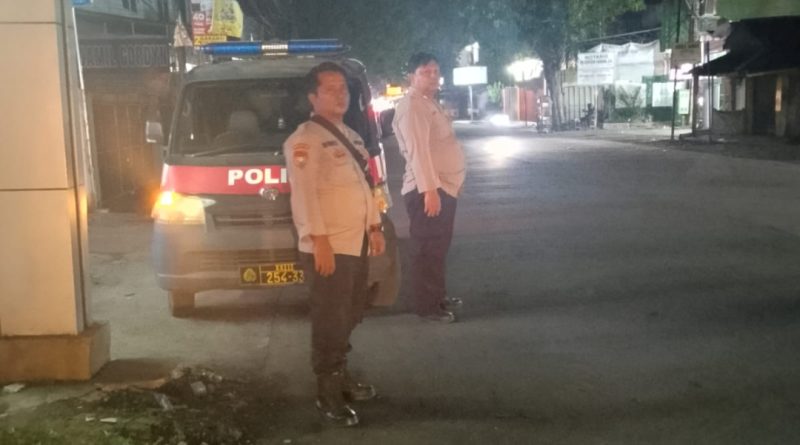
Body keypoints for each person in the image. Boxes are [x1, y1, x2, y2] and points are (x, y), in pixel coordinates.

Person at [283, 62, 386, 427]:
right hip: (330, 246)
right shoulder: (305, 140)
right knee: (330, 318)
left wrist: (375, 227)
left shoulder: (351, 136)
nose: (340, 94)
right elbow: (304, 195)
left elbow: (365, 187)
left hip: (355, 242)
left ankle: (341, 376)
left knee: (351, 312)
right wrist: (319, 240)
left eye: (343, 88)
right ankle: (327, 392)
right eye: (330, 89)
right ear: (313, 97)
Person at [392, 52, 466, 323]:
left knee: (437, 248)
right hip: (429, 189)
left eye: (436, 71)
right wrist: (430, 191)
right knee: (428, 250)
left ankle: (437, 296)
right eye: (425, 72)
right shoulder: (412, 106)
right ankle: (428, 306)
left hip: (442, 186)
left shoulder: (427, 102)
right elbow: (418, 152)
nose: (433, 76)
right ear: (411, 76)